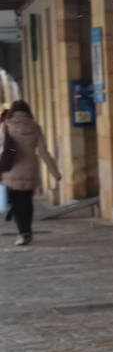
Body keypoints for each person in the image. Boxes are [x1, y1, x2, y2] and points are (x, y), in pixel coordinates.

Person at [1, 101, 61, 246]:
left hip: (12, 169)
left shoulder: (7, 126)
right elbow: (43, 152)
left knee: (16, 202)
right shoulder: (35, 127)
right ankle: (27, 230)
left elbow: (3, 148)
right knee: (27, 201)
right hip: (30, 168)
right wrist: (55, 172)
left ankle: (23, 232)